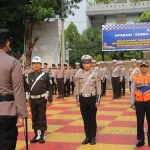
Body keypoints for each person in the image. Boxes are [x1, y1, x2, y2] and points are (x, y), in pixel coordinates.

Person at [0, 29, 27, 150]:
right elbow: (18, 91)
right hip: (7, 111)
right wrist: (21, 114)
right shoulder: (13, 62)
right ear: (7, 43)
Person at [25, 56, 53, 144]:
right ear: (32, 65)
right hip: (32, 100)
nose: (36, 65)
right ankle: (36, 134)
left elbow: (50, 87)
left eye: (37, 64)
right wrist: (26, 98)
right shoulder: (28, 76)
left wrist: (49, 99)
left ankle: (42, 135)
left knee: (42, 117)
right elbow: (25, 88)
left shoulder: (45, 75)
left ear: (40, 65)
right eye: (34, 64)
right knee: (34, 117)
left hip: (41, 99)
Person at [76, 55, 101, 145]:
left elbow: (98, 88)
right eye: (84, 63)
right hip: (83, 99)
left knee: (92, 118)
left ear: (90, 64)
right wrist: (77, 100)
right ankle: (87, 136)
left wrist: (98, 100)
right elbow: (77, 88)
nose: (86, 65)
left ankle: (93, 137)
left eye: (88, 63)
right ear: (83, 64)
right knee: (85, 119)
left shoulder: (95, 74)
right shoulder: (79, 75)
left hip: (92, 98)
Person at [130, 60, 150, 147]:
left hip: (149, 102)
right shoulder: (135, 77)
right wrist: (132, 103)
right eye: (142, 66)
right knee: (140, 122)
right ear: (140, 68)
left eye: (145, 66)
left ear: (148, 68)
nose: (143, 68)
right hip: (139, 103)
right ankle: (141, 139)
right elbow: (132, 91)